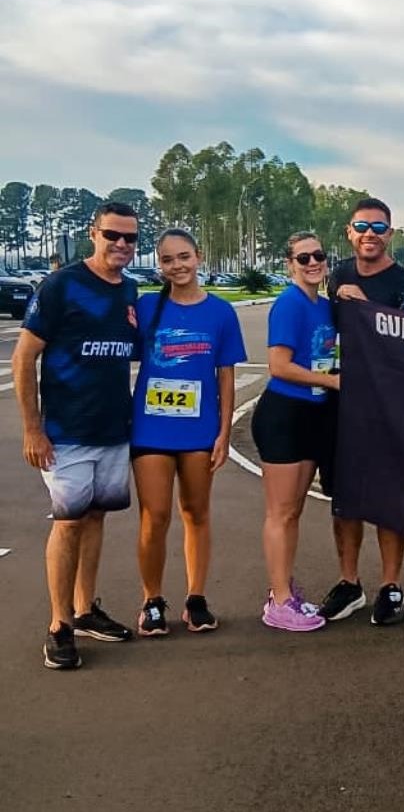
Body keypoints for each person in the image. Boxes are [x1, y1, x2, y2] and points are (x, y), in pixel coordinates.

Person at [14, 201, 141, 669]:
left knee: (95, 517)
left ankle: (86, 610)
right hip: (65, 434)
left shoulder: (129, 291)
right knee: (68, 522)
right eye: (112, 235)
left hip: (113, 430)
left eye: (130, 238)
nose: (122, 244)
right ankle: (59, 625)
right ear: (93, 233)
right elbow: (23, 357)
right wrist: (33, 429)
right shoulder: (61, 285)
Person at [317, 197, 404, 627]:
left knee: (388, 496)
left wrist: (366, 306)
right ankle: (349, 582)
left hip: (389, 404)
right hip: (340, 400)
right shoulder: (336, 276)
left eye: (379, 228)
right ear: (349, 232)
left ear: (390, 234)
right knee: (344, 497)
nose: (370, 235)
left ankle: (391, 585)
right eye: (362, 226)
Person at [131, 229, 246, 636]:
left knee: (196, 512)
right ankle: (152, 600)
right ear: (159, 265)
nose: (177, 266)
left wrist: (224, 432)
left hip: (199, 430)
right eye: (167, 260)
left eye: (183, 256)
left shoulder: (220, 312)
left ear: (198, 256)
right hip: (151, 428)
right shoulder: (146, 306)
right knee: (155, 516)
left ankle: (196, 599)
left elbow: (226, 376)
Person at [251, 232, 338, 632]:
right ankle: (279, 600)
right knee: (281, 512)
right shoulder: (289, 303)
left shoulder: (323, 305)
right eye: (303, 258)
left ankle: (285, 589)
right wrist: (332, 381)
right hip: (284, 414)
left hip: (313, 413)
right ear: (290, 264)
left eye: (318, 255)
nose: (312, 263)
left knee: (293, 511)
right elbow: (279, 365)